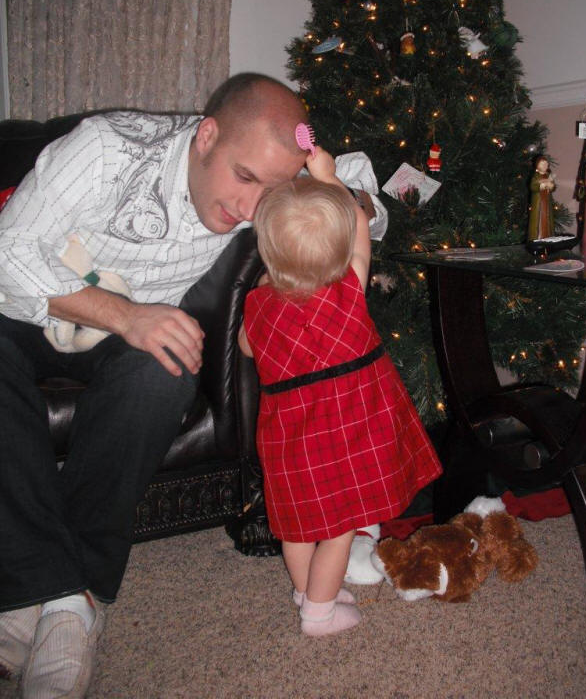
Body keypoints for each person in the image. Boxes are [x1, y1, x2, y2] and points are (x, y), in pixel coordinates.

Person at [0, 73, 385, 697]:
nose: (249, 209)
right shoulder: (105, 149)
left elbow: (366, 201)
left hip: (127, 339)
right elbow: (7, 250)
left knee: (169, 370)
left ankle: (63, 602)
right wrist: (127, 315)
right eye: (243, 177)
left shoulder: (264, 182)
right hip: (22, 311)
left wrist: (336, 185)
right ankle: (49, 591)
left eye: (270, 191)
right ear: (205, 137)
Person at [238, 146, 442, 637]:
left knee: (297, 526)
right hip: (343, 437)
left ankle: (306, 590)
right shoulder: (347, 290)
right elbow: (359, 233)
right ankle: (319, 612)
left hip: (288, 440)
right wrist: (329, 178)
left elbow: (246, 347)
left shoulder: (258, 304)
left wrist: (269, 286)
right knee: (338, 529)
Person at [527, 154, 555, 241]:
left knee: (547, 219)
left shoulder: (548, 175)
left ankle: (548, 237)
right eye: (542, 164)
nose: (544, 166)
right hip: (538, 203)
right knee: (537, 221)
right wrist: (541, 186)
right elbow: (532, 186)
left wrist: (551, 186)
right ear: (537, 165)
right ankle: (537, 237)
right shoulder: (535, 176)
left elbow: (553, 187)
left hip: (546, 202)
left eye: (546, 164)